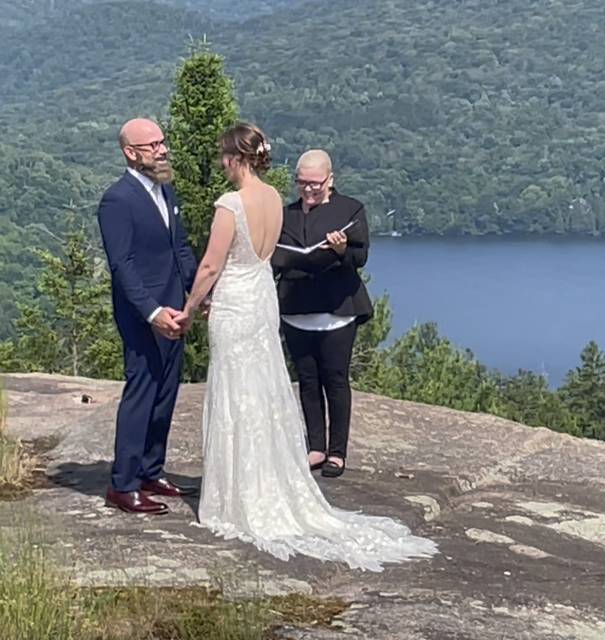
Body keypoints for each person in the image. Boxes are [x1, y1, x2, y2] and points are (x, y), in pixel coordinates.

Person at [176, 123, 436, 571]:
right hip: (261, 300)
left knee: (237, 390)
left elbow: (210, 264)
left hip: (240, 302)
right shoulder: (276, 201)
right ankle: (271, 477)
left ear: (237, 158)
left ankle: (236, 490)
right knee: (265, 389)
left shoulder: (230, 205)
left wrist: (190, 305)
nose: (221, 163)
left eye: (224, 155)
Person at [96, 118, 199, 515]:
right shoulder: (117, 201)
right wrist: (153, 312)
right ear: (130, 152)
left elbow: (181, 249)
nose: (162, 149)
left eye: (162, 142)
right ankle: (123, 483)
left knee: (166, 393)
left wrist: (197, 295)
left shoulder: (166, 189)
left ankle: (151, 470)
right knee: (142, 392)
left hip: (177, 309)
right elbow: (122, 266)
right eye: (152, 144)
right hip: (144, 316)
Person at [271, 150, 373, 478]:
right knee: (308, 380)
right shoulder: (284, 215)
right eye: (302, 183)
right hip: (296, 308)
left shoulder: (350, 210)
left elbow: (360, 257)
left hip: (336, 307)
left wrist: (341, 250)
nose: (309, 190)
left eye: (315, 183)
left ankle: (337, 451)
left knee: (335, 378)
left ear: (330, 179)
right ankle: (316, 446)